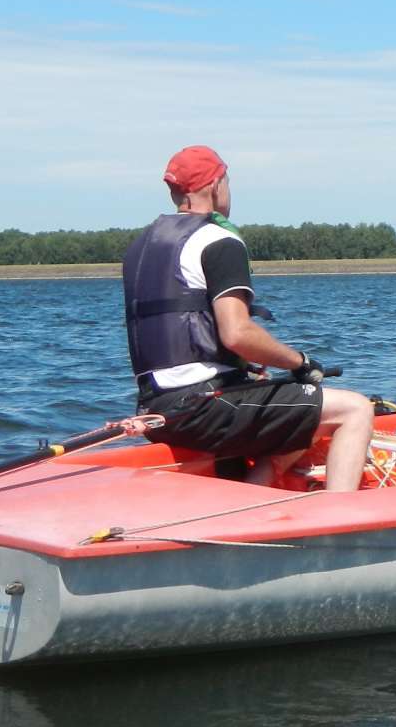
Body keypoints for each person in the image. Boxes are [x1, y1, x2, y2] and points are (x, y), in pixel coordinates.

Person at [122, 145, 374, 491]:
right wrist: (300, 363)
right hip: (201, 408)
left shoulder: (139, 247)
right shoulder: (218, 240)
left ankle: (252, 496)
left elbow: (184, 335)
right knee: (354, 409)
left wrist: (243, 370)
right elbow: (237, 333)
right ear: (215, 185)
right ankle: (339, 517)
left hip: (155, 409)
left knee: (299, 416)